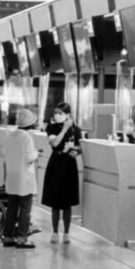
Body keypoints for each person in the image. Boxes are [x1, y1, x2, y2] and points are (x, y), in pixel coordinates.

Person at [42, 102, 81, 244]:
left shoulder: (76, 129)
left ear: (68, 115)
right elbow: (54, 144)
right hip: (56, 164)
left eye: (60, 113)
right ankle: (54, 232)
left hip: (69, 165)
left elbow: (80, 147)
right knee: (55, 202)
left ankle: (66, 233)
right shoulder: (52, 127)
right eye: (56, 112)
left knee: (67, 202)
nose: (57, 115)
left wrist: (74, 151)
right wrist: (64, 129)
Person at [1, 108, 39, 249]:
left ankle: (8, 237)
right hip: (24, 178)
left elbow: (4, 152)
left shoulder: (10, 135)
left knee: (11, 208)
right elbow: (29, 158)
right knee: (25, 209)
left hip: (12, 176)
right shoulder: (27, 137)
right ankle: (22, 239)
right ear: (31, 125)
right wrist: (37, 154)